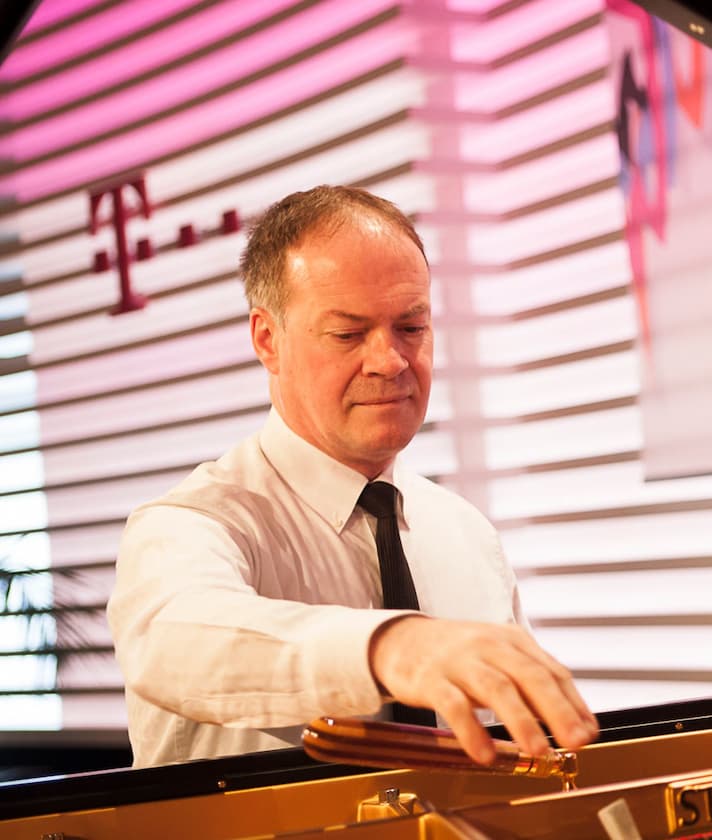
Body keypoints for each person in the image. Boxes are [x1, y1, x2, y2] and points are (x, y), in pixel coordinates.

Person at [107, 185, 597, 768]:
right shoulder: (194, 523)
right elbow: (178, 639)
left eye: (411, 327)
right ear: (268, 339)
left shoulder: (466, 533)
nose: (389, 360)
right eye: (348, 334)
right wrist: (391, 647)